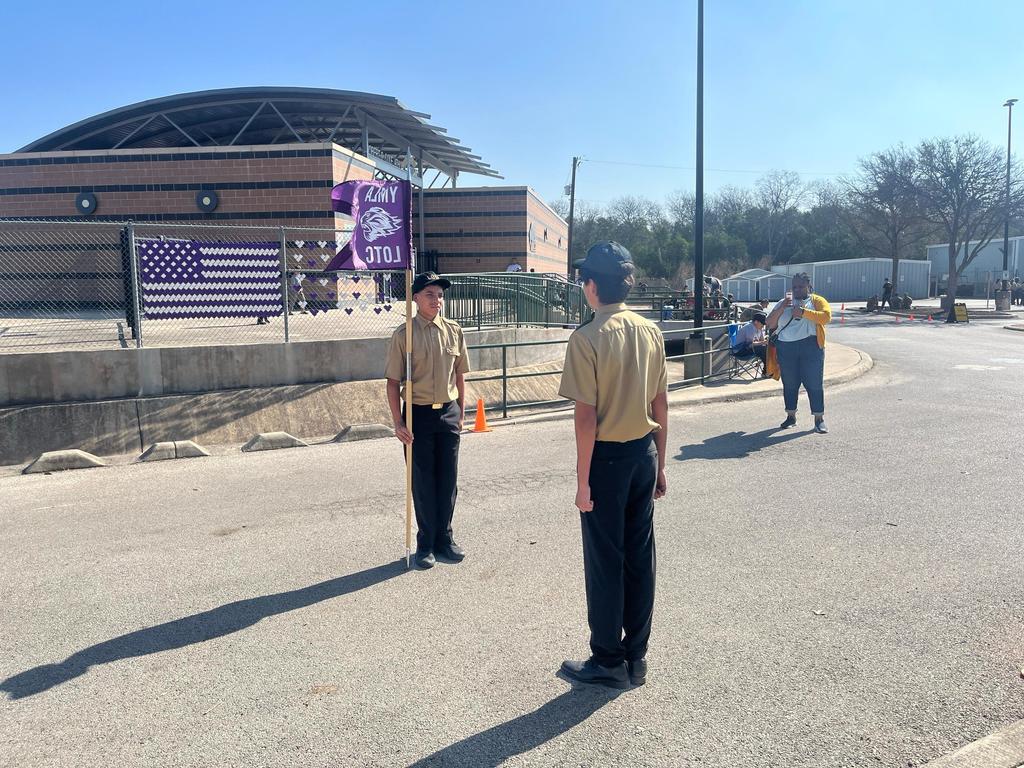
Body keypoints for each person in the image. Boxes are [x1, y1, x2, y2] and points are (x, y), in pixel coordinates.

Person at [557, 241, 669, 690]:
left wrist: (582, 482)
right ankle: (636, 656)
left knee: (606, 562)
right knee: (640, 557)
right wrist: (660, 463)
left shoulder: (586, 338)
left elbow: (586, 416)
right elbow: (660, 401)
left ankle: (607, 658)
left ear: (590, 286)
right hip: (643, 451)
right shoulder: (649, 330)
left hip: (606, 459)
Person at [385, 272, 471, 569]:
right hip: (417, 414)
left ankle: (445, 538)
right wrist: (398, 423)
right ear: (416, 298)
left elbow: (459, 374)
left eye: (440, 295)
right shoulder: (404, 334)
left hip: (447, 412)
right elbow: (392, 382)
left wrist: (461, 410)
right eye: (431, 294)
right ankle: (426, 543)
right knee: (422, 482)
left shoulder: (454, 330)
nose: (438, 300)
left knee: (448, 480)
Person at [766, 272, 832, 433]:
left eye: (801, 286)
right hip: (786, 347)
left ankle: (819, 419)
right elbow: (769, 323)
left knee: (814, 383)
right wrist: (781, 308)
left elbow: (826, 317)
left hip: (811, 347)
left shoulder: (816, 301)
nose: (797, 289)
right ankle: (791, 416)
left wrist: (803, 312)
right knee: (789, 384)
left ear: (808, 286)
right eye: (794, 286)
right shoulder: (783, 302)